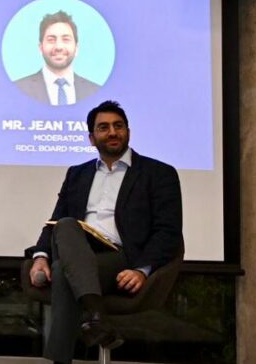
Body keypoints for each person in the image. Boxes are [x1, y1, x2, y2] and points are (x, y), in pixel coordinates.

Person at [27, 100, 183, 364]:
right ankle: (97, 318)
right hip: (80, 250)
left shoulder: (159, 174)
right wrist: (40, 256)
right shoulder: (77, 174)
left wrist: (141, 270)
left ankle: (75, 341)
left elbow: (168, 231)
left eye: (118, 126)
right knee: (66, 226)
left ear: (128, 132)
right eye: (104, 127)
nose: (112, 132)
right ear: (91, 138)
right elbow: (54, 222)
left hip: (120, 257)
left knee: (64, 270)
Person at [15, 10, 101, 106]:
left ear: (76, 48)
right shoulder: (18, 89)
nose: (58, 47)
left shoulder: (96, 91)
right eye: (51, 40)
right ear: (41, 48)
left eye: (66, 39)